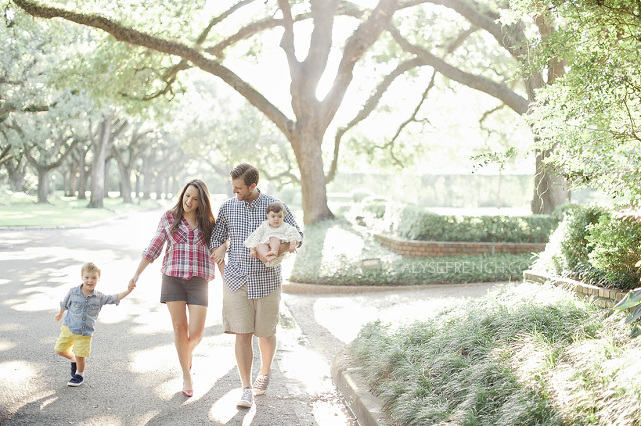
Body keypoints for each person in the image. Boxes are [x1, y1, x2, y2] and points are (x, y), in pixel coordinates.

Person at [210, 163, 302, 408]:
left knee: (266, 332)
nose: (234, 191)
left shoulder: (275, 206)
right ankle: (245, 388)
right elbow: (216, 238)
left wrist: (275, 251)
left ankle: (264, 372)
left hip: (267, 281)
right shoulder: (228, 207)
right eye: (233, 186)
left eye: (239, 188)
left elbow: (298, 234)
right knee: (242, 334)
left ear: (253, 186)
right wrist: (222, 267)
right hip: (236, 280)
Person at [129, 179, 222, 398]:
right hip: (172, 278)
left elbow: (220, 249)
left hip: (199, 280)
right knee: (180, 328)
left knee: (197, 334)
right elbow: (154, 247)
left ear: (202, 202)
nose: (189, 201)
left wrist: (228, 277)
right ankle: (186, 374)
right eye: (187, 195)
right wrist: (136, 274)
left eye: (195, 198)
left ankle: (185, 354)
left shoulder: (209, 222)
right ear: (182, 194)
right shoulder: (169, 217)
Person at [54, 262, 135, 387]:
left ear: (98, 279)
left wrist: (128, 290)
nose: (90, 281)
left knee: (80, 355)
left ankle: (79, 375)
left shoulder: (99, 297)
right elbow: (64, 304)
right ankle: (73, 360)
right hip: (68, 329)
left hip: (84, 333)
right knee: (59, 351)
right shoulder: (73, 292)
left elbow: (115, 297)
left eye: (93, 278)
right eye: (87, 277)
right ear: (82, 277)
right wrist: (59, 314)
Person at [244, 201, 302, 267]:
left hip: (277, 252)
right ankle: (266, 255)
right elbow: (255, 236)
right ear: (267, 216)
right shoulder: (264, 225)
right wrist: (252, 250)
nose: (276, 219)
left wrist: (292, 245)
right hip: (266, 254)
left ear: (283, 216)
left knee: (273, 239)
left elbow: (292, 235)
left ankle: (274, 252)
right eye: (273, 216)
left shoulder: (285, 226)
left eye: (279, 216)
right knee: (259, 245)